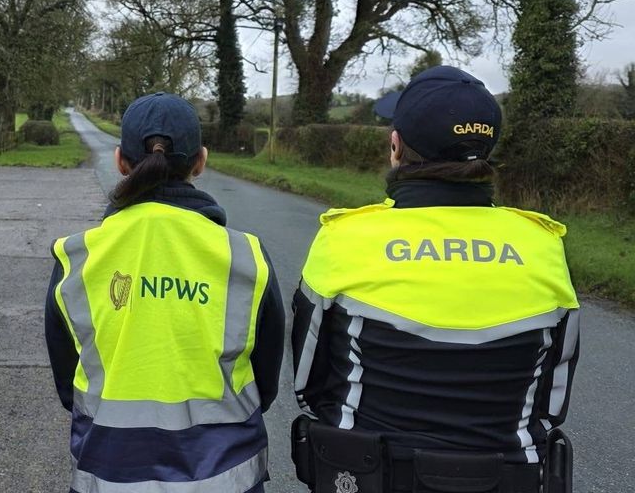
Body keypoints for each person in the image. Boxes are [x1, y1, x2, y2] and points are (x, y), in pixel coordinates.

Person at [291, 66, 580, 493]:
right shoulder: (544, 244)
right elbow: (552, 402)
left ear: (395, 145)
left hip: (367, 473)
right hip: (505, 475)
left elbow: (307, 386)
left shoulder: (343, 237)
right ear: (487, 154)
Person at [45, 93, 285, 493]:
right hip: (227, 479)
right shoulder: (246, 256)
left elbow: (69, 383)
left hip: (109, 477)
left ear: (120, 160)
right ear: (201, 161)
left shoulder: (77, 255)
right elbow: (267, 382)